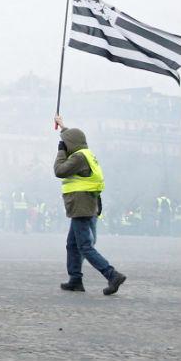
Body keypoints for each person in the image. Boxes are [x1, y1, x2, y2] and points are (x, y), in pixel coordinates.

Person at [53, 115, 126, 295]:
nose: (65, 144)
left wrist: (61, 151)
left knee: (85, 246)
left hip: (81, 206)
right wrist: (63, 127)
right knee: (72, 244)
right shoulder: (86, 153)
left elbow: (59, 170)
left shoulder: (78, 157)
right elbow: (73, 138)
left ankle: (112, 274)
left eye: (66, 142)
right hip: (86, 204)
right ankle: (75, 279)